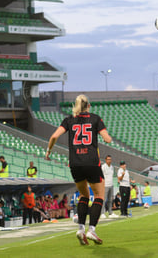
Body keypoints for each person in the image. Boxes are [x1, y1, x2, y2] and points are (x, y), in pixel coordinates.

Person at [45, 94, 112, 245]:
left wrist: (48, 151)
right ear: (88, 106)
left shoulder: (68, 120)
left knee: (83, 195)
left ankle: (81, 229)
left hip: (75, 163)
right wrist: (103, 135)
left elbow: (54, 136)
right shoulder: (95, 118)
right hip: (91, 161)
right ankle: (92, 230)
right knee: (99, 195)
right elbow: (107, 139)